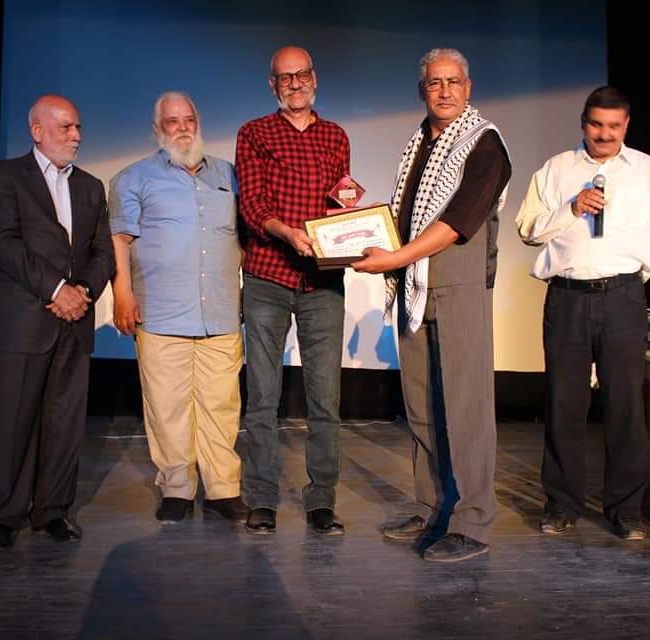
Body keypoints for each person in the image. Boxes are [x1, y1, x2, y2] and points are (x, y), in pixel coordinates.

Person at [515, 86, 650, 540]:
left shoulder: (648, 172)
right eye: (596, 125)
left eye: (614, 126)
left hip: (622, 296)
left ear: (626, 125)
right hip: (567, 296)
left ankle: (626, 509)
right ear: (584, 122)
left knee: (625, 406)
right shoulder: (557, 169)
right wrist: (570, 207)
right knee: (564, 404)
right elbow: (528, 229)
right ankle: (561, 504)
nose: (604, 134)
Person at [352, 48, 511, 563]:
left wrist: (395, 257)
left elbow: (455, 222)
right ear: (422, 89)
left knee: (466, 410)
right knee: (421, 407)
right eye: (435, 83)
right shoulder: (421, 142)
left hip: (457, 285)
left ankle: (473, 522)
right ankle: (432, 507)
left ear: (469, 87)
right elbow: (407, 214)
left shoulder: (484, 143)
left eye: (453, 82)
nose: (444, 91)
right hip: (415, 286)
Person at [0, 95, 114, 549]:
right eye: (66, 127)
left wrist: (84, 291)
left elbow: (102, 251)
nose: (76, 136)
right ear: (37, 131)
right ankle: (2, 514)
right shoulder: (4, 177)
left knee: (64, 424)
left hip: (74, 323)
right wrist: (58, 290)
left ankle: (52, 511)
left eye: (78, 128)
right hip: (19, 322)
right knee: (11, 420)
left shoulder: (90, 186)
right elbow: (4, 244)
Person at [109, 92, 248, 525]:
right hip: (161, 312)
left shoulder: (229, 175)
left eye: (189, 119)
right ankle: (177, 488)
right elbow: (120, 240)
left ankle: (223, 490)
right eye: (172, 121)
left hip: (220, 311)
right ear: (157, 129)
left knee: (221, 405)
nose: (182, 128)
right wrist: (122, 294)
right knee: (167, 407)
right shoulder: (133, 178)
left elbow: (244, 237)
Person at [235, 46, 351, 535]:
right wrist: (288, 233)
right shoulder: (254, 133)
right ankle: (262, 498)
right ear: (273, 85)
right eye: (285, 77)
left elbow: (340, 201)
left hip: (322, 281)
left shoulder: (335, 136)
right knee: (263, 396)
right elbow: (252, 204)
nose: (295, 83)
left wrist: (351, 226)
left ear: (315, 79)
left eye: (302, 74)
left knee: (325, 397)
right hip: (268, 277)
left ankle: (321, 499)